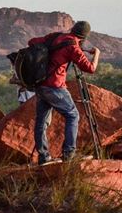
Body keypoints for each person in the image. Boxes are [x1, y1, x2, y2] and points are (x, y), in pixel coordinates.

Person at [29, 20, 100, 164]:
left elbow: (32, 42)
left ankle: (44, 157)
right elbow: (91, 68)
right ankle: (69, 154)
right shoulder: (73, 46)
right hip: (55, 86)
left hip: (41, 84)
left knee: (41, 122)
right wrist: (96, 54)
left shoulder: (56, 37)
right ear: (85, 36)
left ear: (73, 29)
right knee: (73, 115)